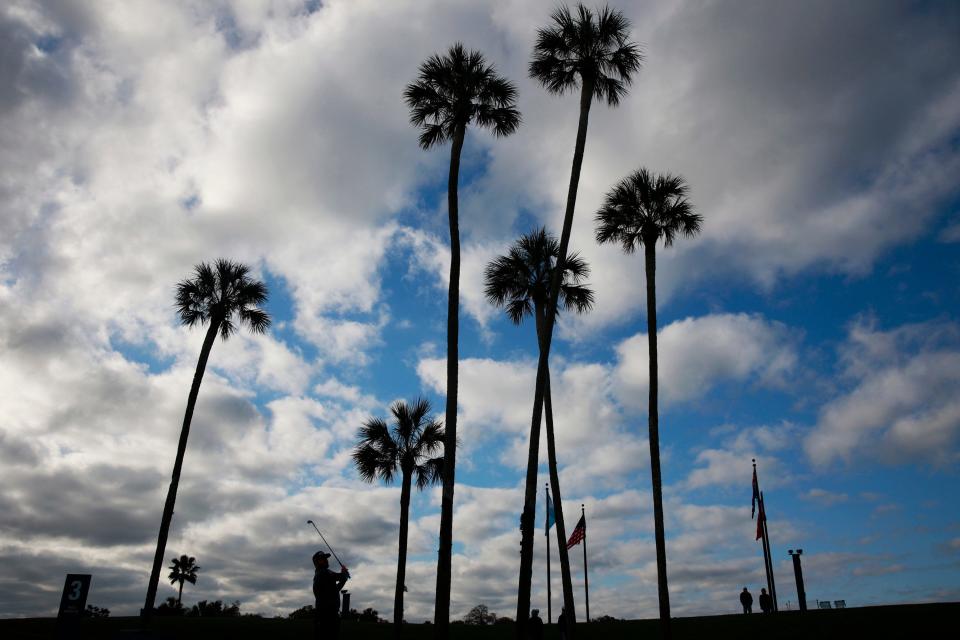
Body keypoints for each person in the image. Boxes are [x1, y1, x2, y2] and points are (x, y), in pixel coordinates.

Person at [313, 550, 349, 639]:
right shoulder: (323, 572)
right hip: (326, 616)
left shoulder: (323, 574)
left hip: (329, 615)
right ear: (317, 562)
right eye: (323, 559)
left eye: (326, 558)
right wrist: (344, 572)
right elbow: (339, 576)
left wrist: (344, 578)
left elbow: (335, 590)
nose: (326, 560)